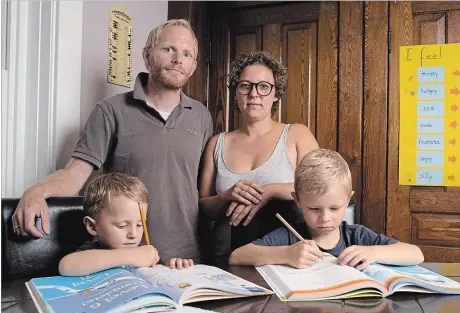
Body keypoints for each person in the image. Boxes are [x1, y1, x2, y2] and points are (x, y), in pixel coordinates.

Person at [12, 19, 213, 264]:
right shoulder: (110, 110)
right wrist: (36, 192)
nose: (178, 59)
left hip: (187, 261)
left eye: (187, 54)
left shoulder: (202, 116)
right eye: (168, 49)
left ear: (192, 66)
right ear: (147, 55)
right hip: (123, 260)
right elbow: (74, 175)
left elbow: (204, 193)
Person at [199, 51, 319, 265]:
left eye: (263, 87)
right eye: (245, 86)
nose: (254, 94)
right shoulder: (216, 143)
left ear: (276, 94)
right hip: (230, 261)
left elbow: (320, 189)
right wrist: (226, 196)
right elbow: (204, 206)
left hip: (291, 259)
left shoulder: (297, 135)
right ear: (236, 94)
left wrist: (269, 191)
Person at [229, 149, 424, 270]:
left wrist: (373, 253)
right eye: (314, 208)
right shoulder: (288, 237)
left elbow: (416, 254)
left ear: (348, 200)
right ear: (297, 201)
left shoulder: (356, 236)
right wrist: (287, 254)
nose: (325, 218)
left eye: (334, 208)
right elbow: (236, 256)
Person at [59, 173, 194, 276]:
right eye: (122, 226)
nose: (134, 235)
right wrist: (132, 256)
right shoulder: (89, 251)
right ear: (93, 226)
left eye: (140, 225)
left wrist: (175, 268)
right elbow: (66, 266)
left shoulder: (145, 253)